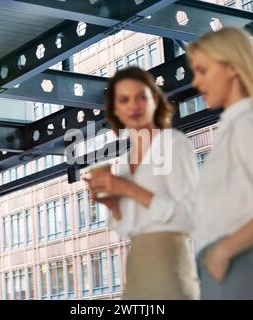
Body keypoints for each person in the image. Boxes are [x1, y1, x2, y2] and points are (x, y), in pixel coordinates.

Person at [187, 27, 253, 299]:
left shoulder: (248, 124)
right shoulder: (235, 127)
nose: (196, 83)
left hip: (239, 269)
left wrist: (223, 251)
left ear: (232, 67)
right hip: (229, 270)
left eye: (203, 70)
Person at [83, 67, 200, 299]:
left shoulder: (173, 143)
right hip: (137, 264)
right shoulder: (129, 157)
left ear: (155, 100)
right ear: (116, 109)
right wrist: (114, 204)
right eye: (124, 100)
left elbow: (191, 216)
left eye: (141, 97)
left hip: (169, 264)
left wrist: (127, 188)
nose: (133, 106)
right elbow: (132, 227)